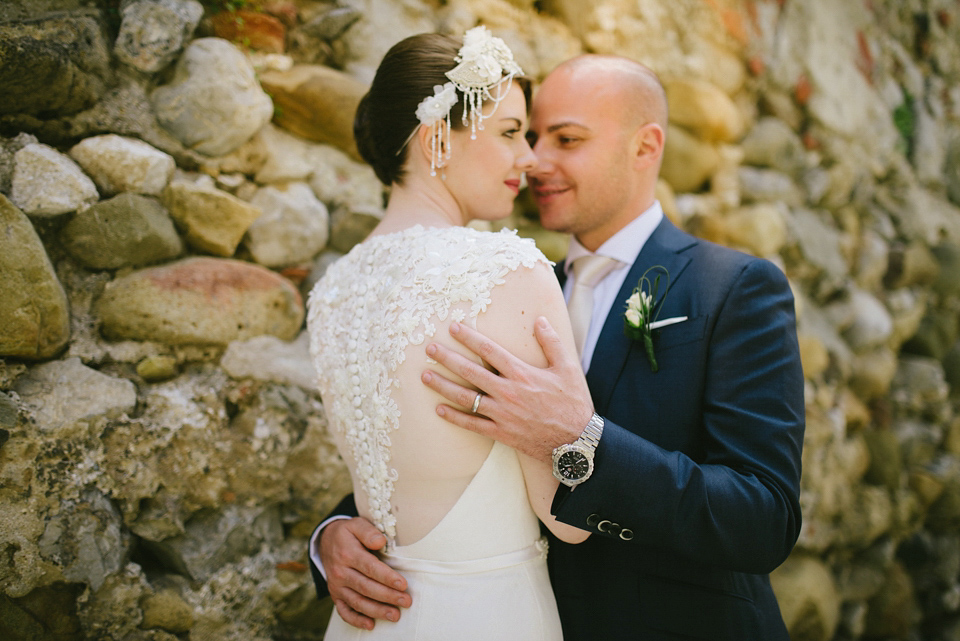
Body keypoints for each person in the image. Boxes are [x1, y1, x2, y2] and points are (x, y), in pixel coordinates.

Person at [312, 53, 806, 640]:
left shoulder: (733, 288)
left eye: (566, 139)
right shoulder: (502, 283)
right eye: (528, 134)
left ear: (645, 148)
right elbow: (437, 448)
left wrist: (582, 439)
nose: (537, 161)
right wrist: (335, 534)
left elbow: (763, 518)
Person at [306, 27, 590, 640]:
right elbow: (570, 519)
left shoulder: (331, 291)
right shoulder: (507, 272)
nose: (530, 159)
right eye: (511, 133)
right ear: (437, 138)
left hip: (366, 621)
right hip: (487, 615)